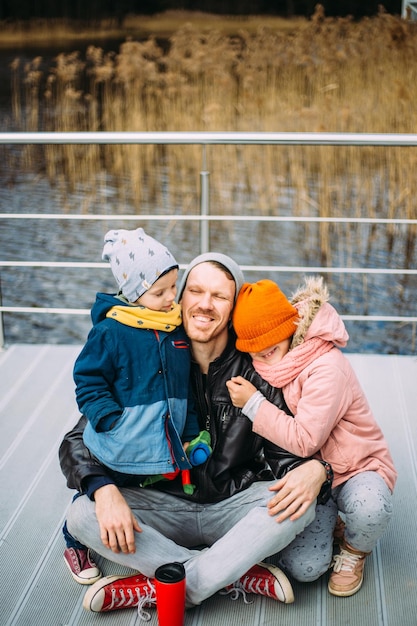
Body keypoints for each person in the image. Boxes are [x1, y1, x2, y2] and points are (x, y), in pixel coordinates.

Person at [59, 253, 334, 618]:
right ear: (180, 296)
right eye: (196, 291)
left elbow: (286, 449)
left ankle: (167, 583)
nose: (205, 304)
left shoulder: (258, 367)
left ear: (234, 307)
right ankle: (229, 575)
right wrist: (103, 488)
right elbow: (77, 440)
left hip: (231, 503)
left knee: (298, 507)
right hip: (162, 502)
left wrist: (316, 472)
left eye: (219, 296)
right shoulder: (147, 355)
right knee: (82, 514)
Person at [227, 276, 397, 597]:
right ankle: (332, 522)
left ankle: (354, 549)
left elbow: (306, 439)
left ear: (288, 332)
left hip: (355, 467)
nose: (265, 362)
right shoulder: (279, 361)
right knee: (304, 568)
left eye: (271, 350)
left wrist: (253, 404)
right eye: (256, 355)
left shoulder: (324, 366)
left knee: (370, 508)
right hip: (309, 476)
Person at [63, 227, 210, 585]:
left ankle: (150, 543)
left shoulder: (174, 329)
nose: (170, 299)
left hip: (160, 437)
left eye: (173, 288)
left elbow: (184, 389)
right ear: (133, 292)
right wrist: (110, 420)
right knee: (106, 484)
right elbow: (89, 380)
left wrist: (189, 432)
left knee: (141, 488)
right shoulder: (111, 332)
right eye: (159, 292)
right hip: (120, 436)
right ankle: (75, 541)